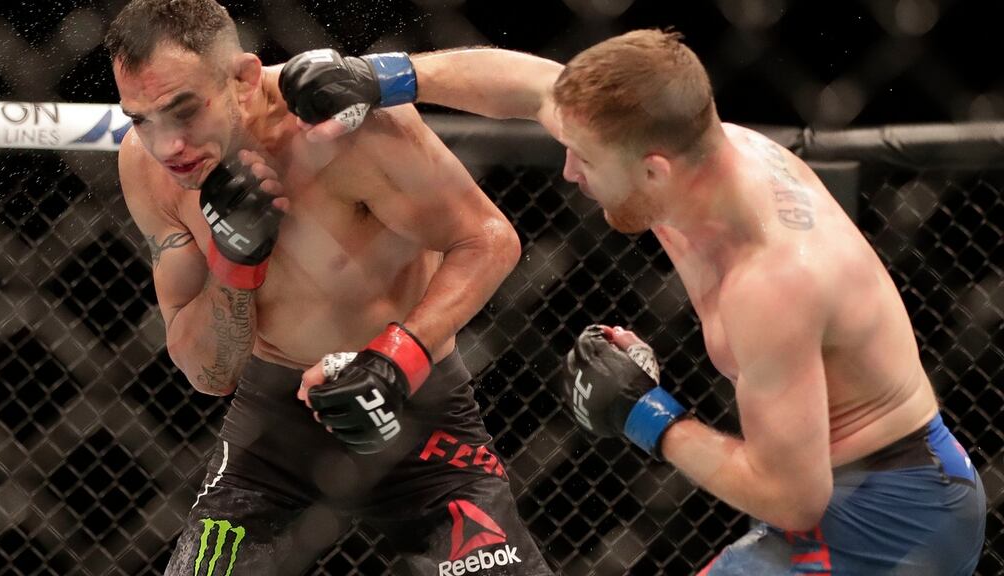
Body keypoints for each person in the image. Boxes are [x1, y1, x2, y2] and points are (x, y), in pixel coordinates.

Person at [287, 29, 988, 575]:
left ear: (652, 169)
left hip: (892, 512)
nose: (567, 169)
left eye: (585, 159)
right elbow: (535, 86)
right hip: (862, 485)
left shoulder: (772, 279)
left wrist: (646, 413)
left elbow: (791, 496)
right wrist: (381, 75)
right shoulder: (683, 152)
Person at [104, 1, 556, 574]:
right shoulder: (149, 172)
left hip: (414, 409)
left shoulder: (347, 125)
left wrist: (396, 358)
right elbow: (207, 373)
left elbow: (489, 239)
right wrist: (234, 264)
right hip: (274, 430)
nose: (168, 145)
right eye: (142, 119)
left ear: (243, 79)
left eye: (183, 110)